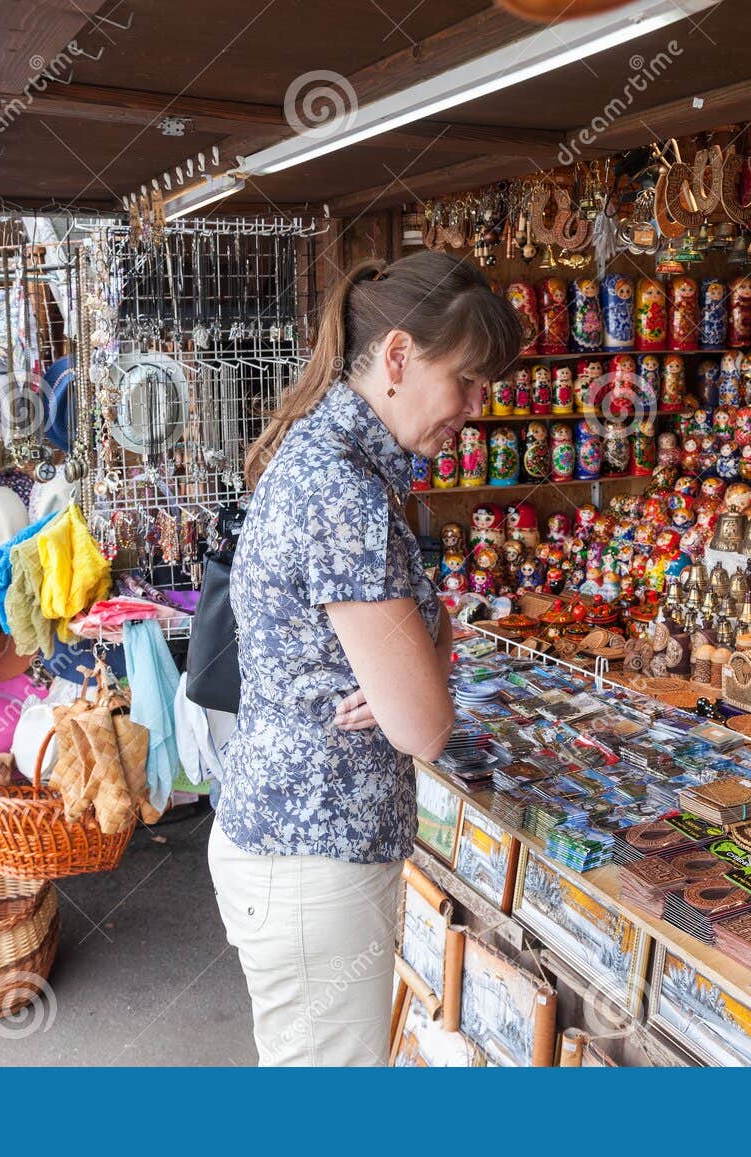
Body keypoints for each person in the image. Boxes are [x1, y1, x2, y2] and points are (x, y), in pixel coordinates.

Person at [208, 250, 521, 1066]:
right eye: (469, 381)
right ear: (397, 358)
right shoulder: (343, 486)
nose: (476, 409)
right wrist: (419, 667)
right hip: (314, 858)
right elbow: (422, 723)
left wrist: (424, 649)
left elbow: (420, 661)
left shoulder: (323, 457)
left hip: (293, 844)